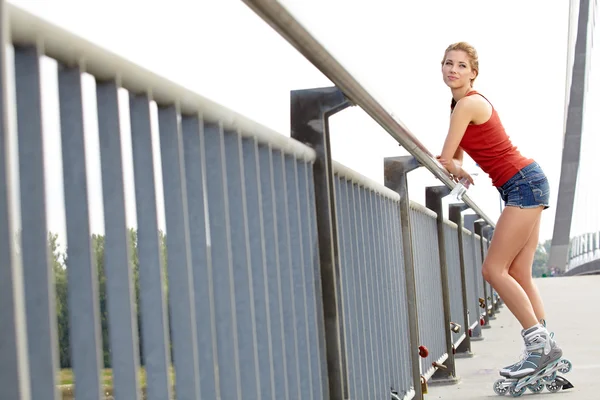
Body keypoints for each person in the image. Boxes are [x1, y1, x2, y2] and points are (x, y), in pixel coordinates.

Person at [436, 41, 563, 380]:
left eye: (461, 65)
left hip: (522, 183)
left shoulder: (467, 104)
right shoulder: (460, 105)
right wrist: (458, 167)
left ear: (473, 73)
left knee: (494, 270)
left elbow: (446, 158)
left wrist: (456, 168)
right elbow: (456, 159)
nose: (453, 70)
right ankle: (545, 349)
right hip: (526, 182)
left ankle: (540, 350)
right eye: (448, 63)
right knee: (519, 273)